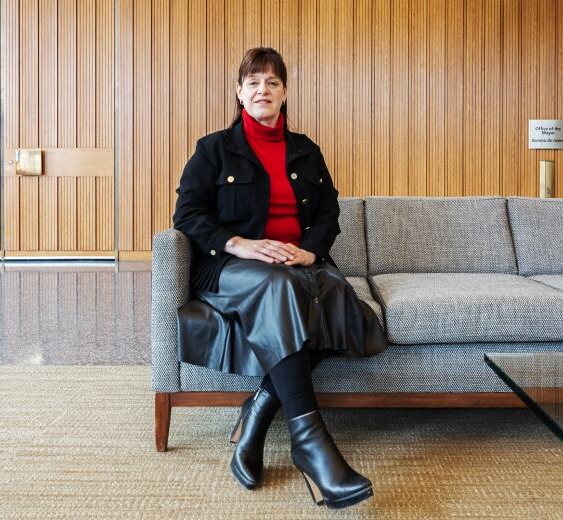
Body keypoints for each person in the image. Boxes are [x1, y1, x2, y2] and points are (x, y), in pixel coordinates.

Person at [172, 47, 387, 509]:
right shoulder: (213, 150)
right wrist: (241, 245)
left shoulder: (306, 151)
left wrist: (310, 250)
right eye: (253, 83)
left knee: (335, 298)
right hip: (232, 268)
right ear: (239, 93)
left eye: (272, 82)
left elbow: (329, 211)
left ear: (284, 92)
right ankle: (312, 447)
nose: (262, 90)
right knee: (281, 289)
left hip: (299, 264)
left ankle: (256, 415)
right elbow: (187, 214)